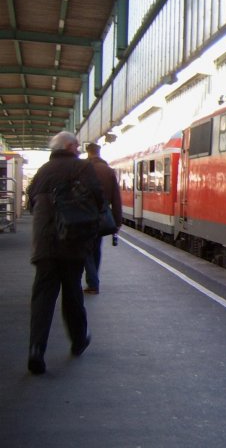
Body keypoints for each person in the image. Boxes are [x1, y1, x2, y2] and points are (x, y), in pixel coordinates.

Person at [26, 131, 103, 375]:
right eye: (77, 146)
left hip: (45, 245)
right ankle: (79, 340)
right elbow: (98, 199)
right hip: (72, 240)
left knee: (43, 298)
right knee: (72, 294)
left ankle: (36, 349)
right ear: (69, 147)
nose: (79, 149)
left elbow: (30, 203)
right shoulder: (82, 168)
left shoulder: (43, 171)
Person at [83, 142, 122, 294]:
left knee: (85, 248)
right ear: (99, 152)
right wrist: (117, 221)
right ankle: (93, 281)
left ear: (88, 152)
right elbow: (116, 198)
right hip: (102, 216)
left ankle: (93, 283)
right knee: (96, 249)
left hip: (83, 215)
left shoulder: (82, 168)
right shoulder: (108, 171)